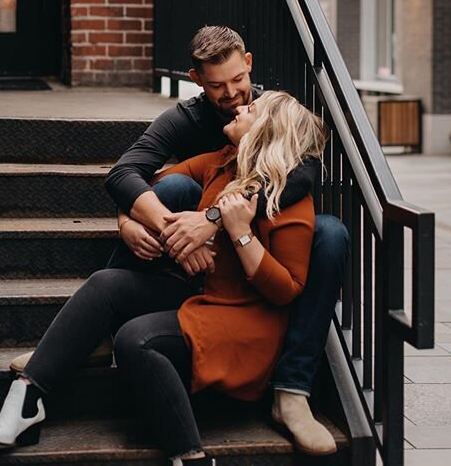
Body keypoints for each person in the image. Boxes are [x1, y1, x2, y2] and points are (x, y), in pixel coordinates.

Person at [0, 92, 329, 464]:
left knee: (136, 338)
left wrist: (240, 233)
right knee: (105, 283)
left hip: (246, 321)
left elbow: (286, 291)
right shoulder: (221, 163)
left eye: (251, 109)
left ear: (266, 130)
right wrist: (130, 222)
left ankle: (190, 457)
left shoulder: (287, 201)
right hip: (205, 296)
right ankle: (26, 400)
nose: (240, 106)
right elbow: (142, 186)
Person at [105, 25, 349, 455]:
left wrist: (215, 219)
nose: (234, 95)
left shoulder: (271, 110)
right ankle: (101, 320)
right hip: (203, 246)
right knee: (167, 194)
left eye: (239, 80)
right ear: (196, 80)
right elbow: (127, 174)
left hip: (263, 234)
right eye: (217, 86)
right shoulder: (187, 119)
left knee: (331, 233)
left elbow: (302, 175)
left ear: (249, 63)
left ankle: (292, 389)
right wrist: (129, 220)